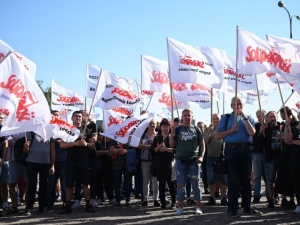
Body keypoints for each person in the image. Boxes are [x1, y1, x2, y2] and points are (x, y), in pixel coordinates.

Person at [215, 96, 261, 218]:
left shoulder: (248, 117)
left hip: (246, 149)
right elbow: (218, 135)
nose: (238, 106)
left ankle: (247, 206)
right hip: (231, 149)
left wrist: (244, 117)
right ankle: (232, 209)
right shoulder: (226, 117)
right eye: (236, 104)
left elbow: (252, 133)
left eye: (240, 104)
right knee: (233, 180)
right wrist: (231, 130)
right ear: (231, 106)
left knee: (246, 179)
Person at [59, 110, 96, 214]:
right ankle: (66, 205)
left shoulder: (87, 129)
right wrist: (75, 144)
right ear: (72, 118)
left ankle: (88, 204)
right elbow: (62, 145)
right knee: (69, 184)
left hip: (84, 160)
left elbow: (93, 144)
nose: (78, 118)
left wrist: (86, 144)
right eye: (76, 116)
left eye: (80, 116)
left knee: (86, 183)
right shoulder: (67, 130)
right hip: (71, 160)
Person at [169, 109, 205, 215]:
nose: (187, 117)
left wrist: (201, 156)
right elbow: (171, 145)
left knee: (196, 184)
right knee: (180, 184)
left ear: (192, 117)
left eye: (189, 115)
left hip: (194, 160)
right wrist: (172, 133)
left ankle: (198, 207)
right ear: (182, 117)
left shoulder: (196, 129)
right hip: (180, 161)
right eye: (185, 115)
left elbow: (202, 144)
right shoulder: (178, 129)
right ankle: (180, 207)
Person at [24, 131, 55, 215]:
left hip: (45, 162)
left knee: (44, 185)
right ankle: (29, 207)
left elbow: (52, 150)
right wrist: (26, 147)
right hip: (32, 162)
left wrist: (52, 165)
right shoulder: (31, 131)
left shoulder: (49, 131)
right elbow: (26, 150)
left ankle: (42, 206)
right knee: (31, 185)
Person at [151, 118, 176, 209]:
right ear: (160, 127)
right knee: (161, 184)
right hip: (159, 163)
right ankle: (163, 203)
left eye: (166, 126)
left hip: (169, 163)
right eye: (163, 126)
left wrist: (165, 149)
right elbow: (152, 151)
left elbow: (175, 150)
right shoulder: (157, 138)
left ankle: (173, 201)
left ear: (169, 127)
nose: (165, 128)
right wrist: (157, 148)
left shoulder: (171, 137)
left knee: (171, 184)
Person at [204, 113, 228, 206]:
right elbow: (205, 142)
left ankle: (223, 198)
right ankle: (212, 198)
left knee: (224, 179)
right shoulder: (207, 129)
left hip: (223, 157)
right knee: (211, 179)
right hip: (211, 157)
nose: (216, 120)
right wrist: (209, 131)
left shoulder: (224, 129)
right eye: (214, 119)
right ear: (211, 120)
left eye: (217, 119)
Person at [138, 119, 160, 207]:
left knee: (155, 181)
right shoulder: (143, 135)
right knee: (145, 180)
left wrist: (147, 147)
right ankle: (145, 199)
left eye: (153, 123)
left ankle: (156, 199)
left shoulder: (159, 135)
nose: (152, 125)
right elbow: (139, 146)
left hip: (156, 160)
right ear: (147, 125)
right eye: (150, 123)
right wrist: (149, 146)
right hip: (145, 160)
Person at [7, 133, 28, 214]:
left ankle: (27, 205)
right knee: (12, 183)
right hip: (13, 159)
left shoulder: (28, 128)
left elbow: (29, 142)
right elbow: (8, 141)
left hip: (26, 159)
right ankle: (14, 206)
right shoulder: (11, 128)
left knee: (28, 182)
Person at [284, 111, 300, 214]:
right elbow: (286, 140)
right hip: (294, 159)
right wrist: (287, 126)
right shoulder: (294, 128)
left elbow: (291, 141)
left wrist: (293, 142)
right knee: (297, 182)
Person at [252, 109, 268, 203]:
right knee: (257, 176)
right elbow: (255, 141)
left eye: (261, 115)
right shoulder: (256, 126)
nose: (259, 118)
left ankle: (269, 194)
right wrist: (260, 132)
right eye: (258, 116)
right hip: (257, 152)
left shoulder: (269, 126)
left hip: (267, 153)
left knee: (268, 176)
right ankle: (256, 195)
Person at [0, 113, 9, 215]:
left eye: (1, 118)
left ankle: (5, 203)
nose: (0, 119)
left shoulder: (3, 129)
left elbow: (5, 143)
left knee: (3, 183)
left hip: (2, 161)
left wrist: (3, 159)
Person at [197, 121, 209, 195]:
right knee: (197, 173)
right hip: (198, 156)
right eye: (199, 127)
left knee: (205, 173)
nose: (200, 128)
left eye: (201, 127)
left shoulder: (206, 134)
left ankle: (206, 187)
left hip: (206, 155)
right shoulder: (196, 135)